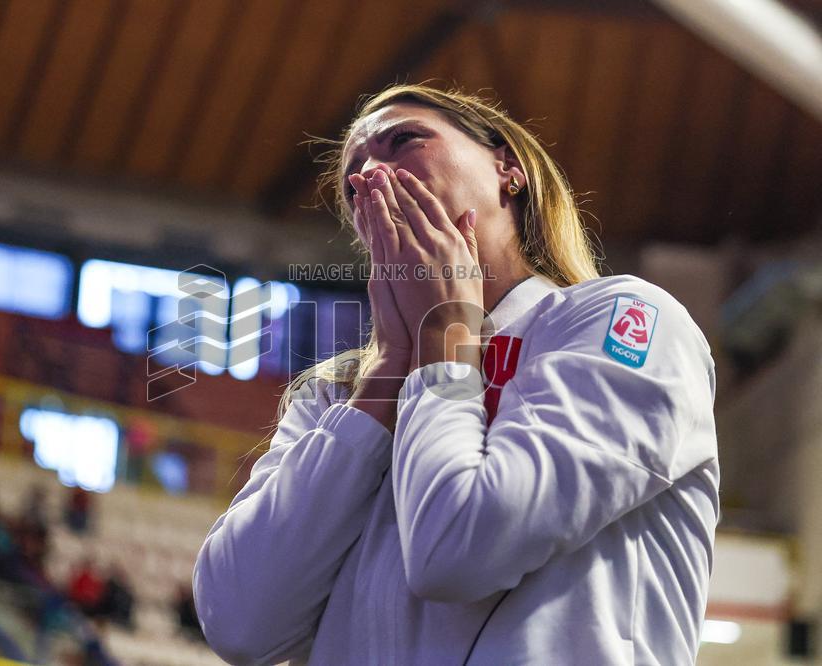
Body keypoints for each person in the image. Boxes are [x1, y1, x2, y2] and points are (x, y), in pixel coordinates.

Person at [193, 84, 719, 665]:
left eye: (403, 140)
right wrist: (391, 370)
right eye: (352, 178)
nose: (372, 174)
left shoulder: (621, 319)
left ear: (508, 168)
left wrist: (444, 335)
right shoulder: (335, 394)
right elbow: (239, 623)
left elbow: (459, 547)